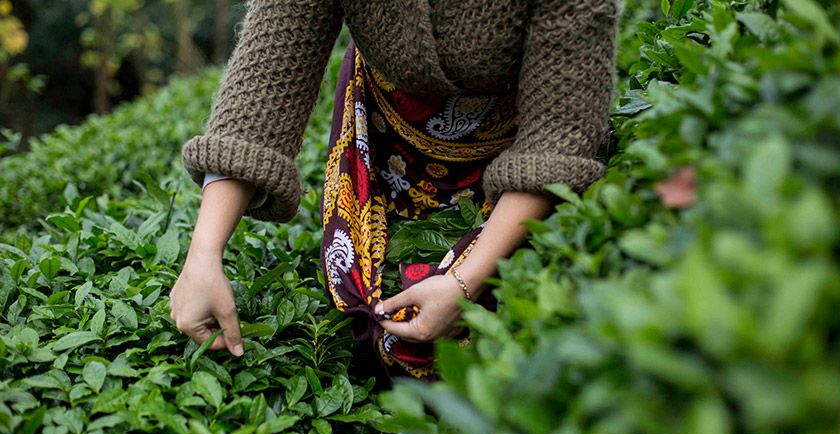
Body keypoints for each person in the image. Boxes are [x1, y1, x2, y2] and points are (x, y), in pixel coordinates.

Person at [169, 0, 619, 380]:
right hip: (389, 141)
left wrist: (464, 282)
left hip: (519, 156)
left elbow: (561, 132)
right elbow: (268, 75)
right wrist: (203, 254)